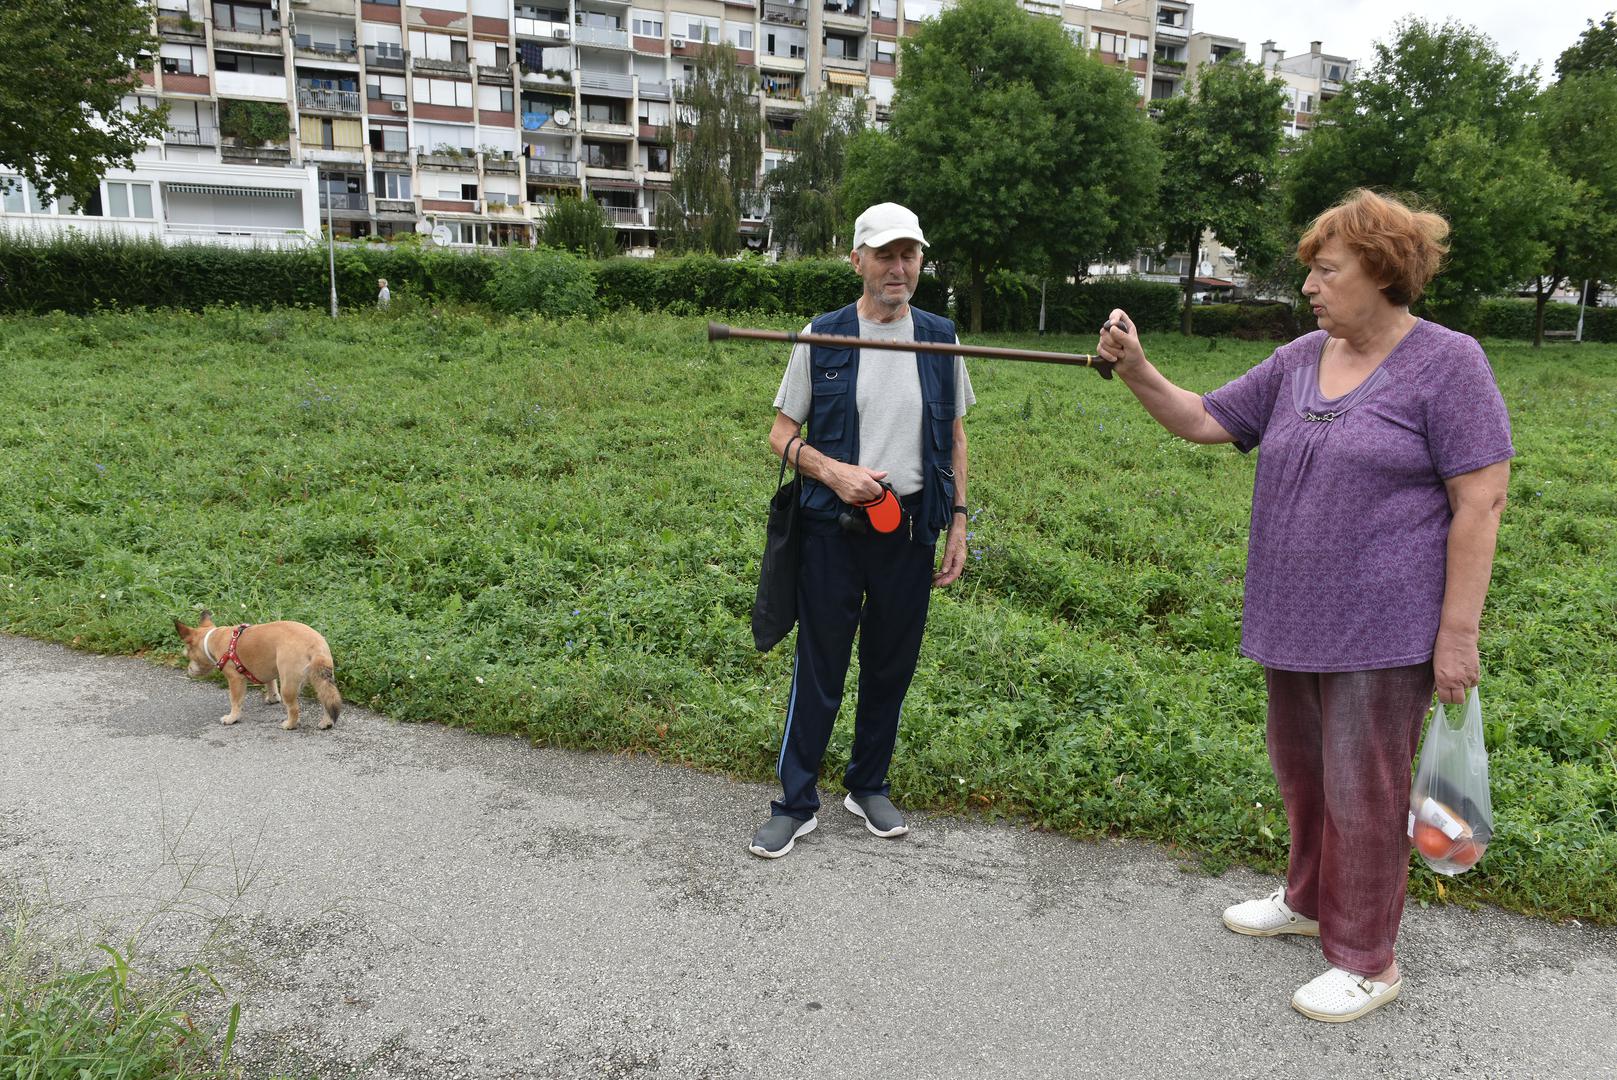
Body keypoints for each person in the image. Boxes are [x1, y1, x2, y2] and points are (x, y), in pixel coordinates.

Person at [1094, 189, 1513, 1022]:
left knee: (1364, 791)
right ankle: (1311, 901)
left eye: (1327, 271)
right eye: (1311, 273)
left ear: (1382, 272)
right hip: (1292, 618)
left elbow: (1481, 500)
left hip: (1382, 628)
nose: (1310, 288)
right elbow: (1208, 419)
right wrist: (1138, 369)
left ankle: (1367, 959)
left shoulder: (1447, 363)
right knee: (1303, 775)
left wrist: (1456, 635)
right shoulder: (1297, 360)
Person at [749, 202, 975, 859]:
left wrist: (958, 518)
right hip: (833, 531)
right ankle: (794, 803)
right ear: (857, 260)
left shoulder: (939, 336)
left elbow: (955, 435)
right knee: (819, 669)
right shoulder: (821, 334)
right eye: (884, 254)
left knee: (889, 668)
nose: (898, 266)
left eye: (909, 254)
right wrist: (834, 471)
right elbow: (780, 435)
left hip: (910, 532)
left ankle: (866, 784)